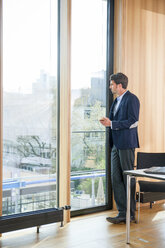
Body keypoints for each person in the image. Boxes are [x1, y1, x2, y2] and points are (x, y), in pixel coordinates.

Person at [100, 72, 140, 224]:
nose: (110, 87)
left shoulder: (132, 99)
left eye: (112, 84)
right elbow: (114, 121)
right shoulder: (116, 101)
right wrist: (108, 122)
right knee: (115, 178)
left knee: (127, 178)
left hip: (127, 144)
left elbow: (133, 121)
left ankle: (130, 214)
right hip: (115, 144)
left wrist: (112, 124)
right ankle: (122, 213)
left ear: (119, 85)